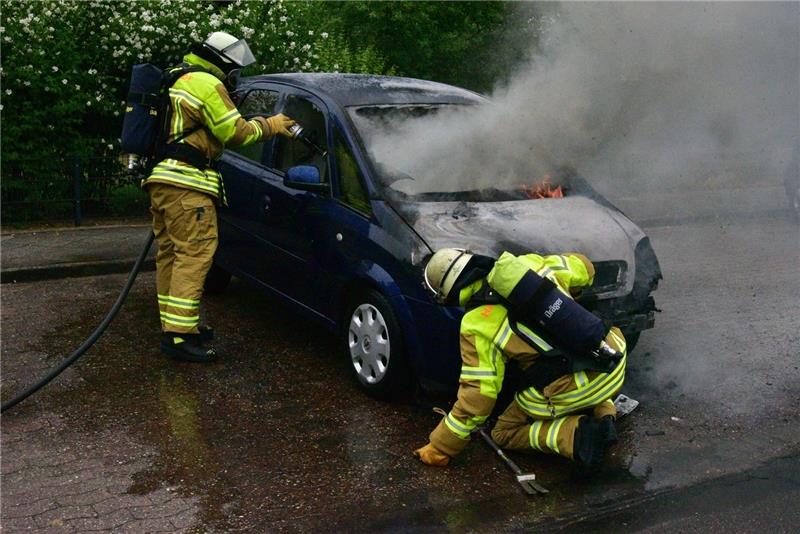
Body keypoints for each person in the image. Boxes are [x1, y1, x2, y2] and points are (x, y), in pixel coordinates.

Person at [142, 31, 297, 362]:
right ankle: (180, 338)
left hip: (163, 182)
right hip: (187, 184)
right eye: (235, 67)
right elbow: (234, 132)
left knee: (172, 253)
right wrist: (271, 125)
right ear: (224, 61)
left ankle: (175, 327)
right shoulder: (205, 83)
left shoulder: (178, 76)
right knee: (194, 254)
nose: (235, 75)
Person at [413, 248, 627, 471]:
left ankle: (578, 435)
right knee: (576, 370)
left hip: (575, 387)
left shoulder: (475, 323)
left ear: (447, 294)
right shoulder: (526, 264)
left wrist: (440, 447)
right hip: (613, 360)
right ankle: (604, 410)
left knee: (504, 432)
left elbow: (478, 397)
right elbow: (585, 268)